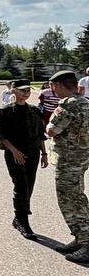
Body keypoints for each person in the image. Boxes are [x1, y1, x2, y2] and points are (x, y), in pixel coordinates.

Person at [0, 79, 47, 240]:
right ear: (13, 91)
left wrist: (44, 153)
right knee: (21, 184)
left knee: (29, 184)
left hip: (33, 153)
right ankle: (22, 219)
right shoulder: (6, 111)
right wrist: (14, 150)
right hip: (15, 154)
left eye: (28, 90)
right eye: (22, 90)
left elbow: (40, 134)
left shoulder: (35, 111)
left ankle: (19, 217)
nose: (26, 93)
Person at [46, 70, 89, 262]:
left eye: (53, 86)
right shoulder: (85, 103)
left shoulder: (67, 105)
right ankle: (80, 238)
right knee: (77, 197)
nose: (51, 89)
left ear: (61, 85)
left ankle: (86, 243)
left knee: (70, 200)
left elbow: (52, 130)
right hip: (82, 157)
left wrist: (48, 127)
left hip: (69, 160)